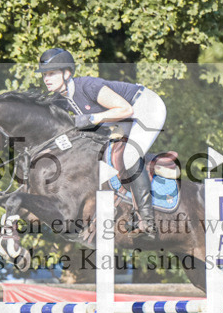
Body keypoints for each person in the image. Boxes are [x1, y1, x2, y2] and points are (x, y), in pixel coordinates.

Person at [36, 48, 166, 237]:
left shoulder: (88, 85)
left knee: (130, 156)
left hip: (145, 107)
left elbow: (126, 109)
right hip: (121, 119)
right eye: (45, 75)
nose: (46, 79)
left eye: (52, 73)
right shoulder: (59, 100)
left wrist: (92, 118)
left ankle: (147, 220)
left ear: (67, 73)